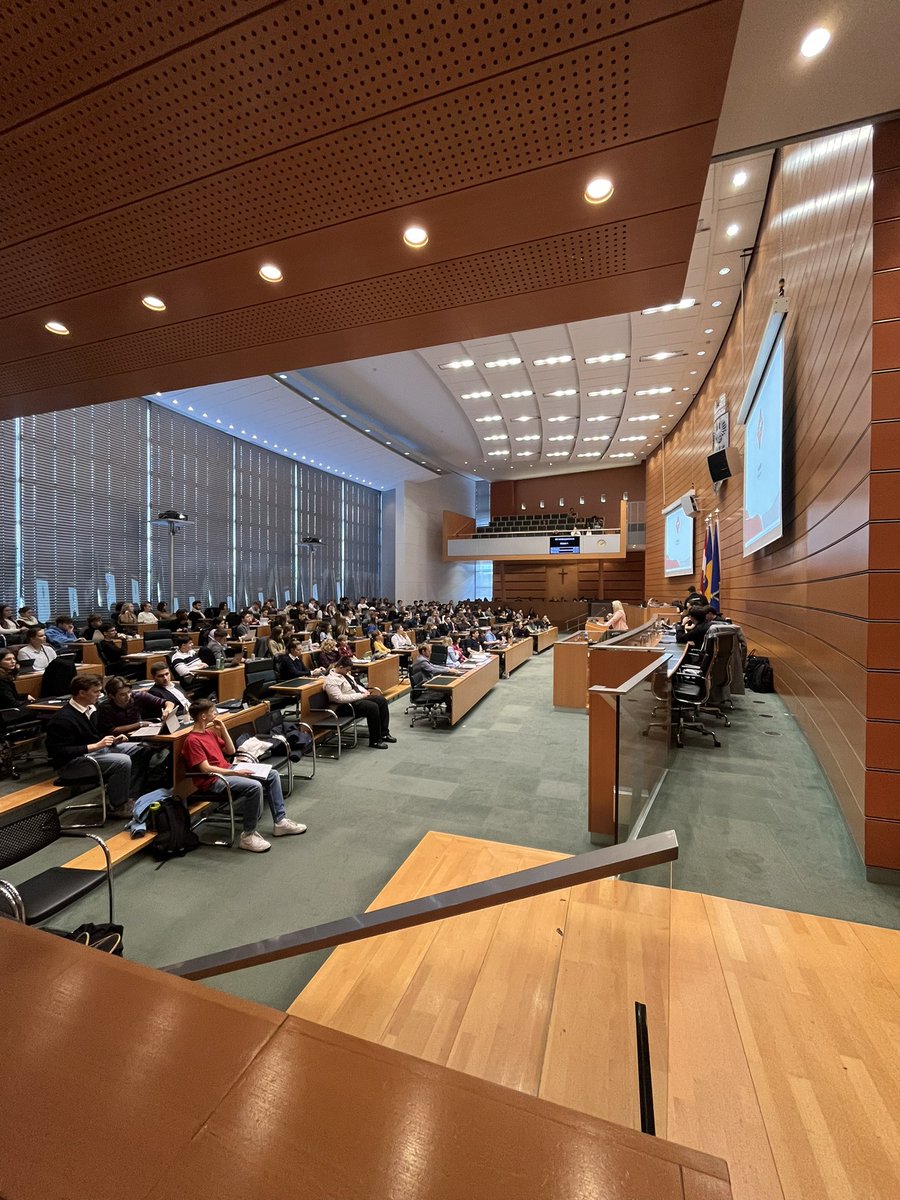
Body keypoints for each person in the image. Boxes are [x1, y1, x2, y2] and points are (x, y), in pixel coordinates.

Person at [180, 699, 306, 852]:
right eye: (213, 711)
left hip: (228, 770)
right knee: (255, 787)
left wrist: (223, 729)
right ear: (203, 717)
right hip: (214, 780)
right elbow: (206, 769)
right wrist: (235, 772)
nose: (216, 714)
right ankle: (248, 836)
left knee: (272, 774)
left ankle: (280, 822)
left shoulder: (209, 733)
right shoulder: (192, 741)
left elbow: (231, 751)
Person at [44, 674, 146, 815]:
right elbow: (58, 752)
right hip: (71, 764)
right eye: (96, 691)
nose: (100, 695)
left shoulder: (91, 709)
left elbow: (94, 737)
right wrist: (96, 746)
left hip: (94, 753)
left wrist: (112, 740)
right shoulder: (62, 719)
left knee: (140, 748)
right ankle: (118, 806)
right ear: (82, 693)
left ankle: (128, 794)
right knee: (123, 761)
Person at [323, 659, 395, 749]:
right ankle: (375, 740)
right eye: (346, 670)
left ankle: (384, 734)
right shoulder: (331, 680)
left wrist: (364, 692)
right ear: (340, 667)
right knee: (372, 707)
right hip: (344, 707)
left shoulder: (345, 675)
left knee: (381, 700)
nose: (348, 672)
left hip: (355, 699)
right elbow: (339, 698)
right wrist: (360, 695)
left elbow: (355, 686)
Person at [97, 675, 176, 736]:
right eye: (122, 694)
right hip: (121, 739)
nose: (128, 696)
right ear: (111, 696)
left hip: (140, 733)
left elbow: (169, 703)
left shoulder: (137, 695)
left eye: (128, 692)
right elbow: (111, 731)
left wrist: (167, 710)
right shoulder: (105, 707)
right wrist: (139, 724)